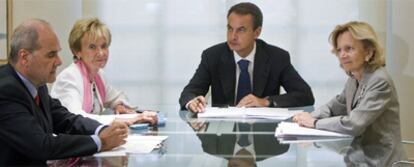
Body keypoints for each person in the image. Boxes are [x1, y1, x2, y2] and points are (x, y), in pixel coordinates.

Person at [0, 19, 129, 166]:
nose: (59, 61)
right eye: (51, 55)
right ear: (24, 57)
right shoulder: (5, 90)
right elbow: (42, 145)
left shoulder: (37, 83)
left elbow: (64, 119)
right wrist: (101, 142)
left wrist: (101, 130)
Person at [292, 21, 405, 166]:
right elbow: (335, 106)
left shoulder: (380, 81)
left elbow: (354, 123)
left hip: (382, 161)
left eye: (349, 49)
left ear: (368, 52)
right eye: (339, 50)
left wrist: (314, 123)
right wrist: (308, 117)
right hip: (358, 158)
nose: (343, 55)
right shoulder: (354, 78)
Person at [179, 2, 314, 112]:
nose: (233, 36)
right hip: (224, 137)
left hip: (264, 137)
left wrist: (266, 102)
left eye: (241, 30)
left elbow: (305, 95)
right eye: (230, 28)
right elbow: (189, 92)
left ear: (257, 32)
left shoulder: (277, 57)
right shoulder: (212, 56)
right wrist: (192, 102)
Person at [51, 18, 157, 125]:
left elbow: (116, 97)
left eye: (104, 46)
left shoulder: (98, 75)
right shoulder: (69, 78)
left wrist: (118, 106)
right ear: (77, 51)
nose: (101, 53)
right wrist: (127, 120)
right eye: (92, 47)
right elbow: (77, 119)